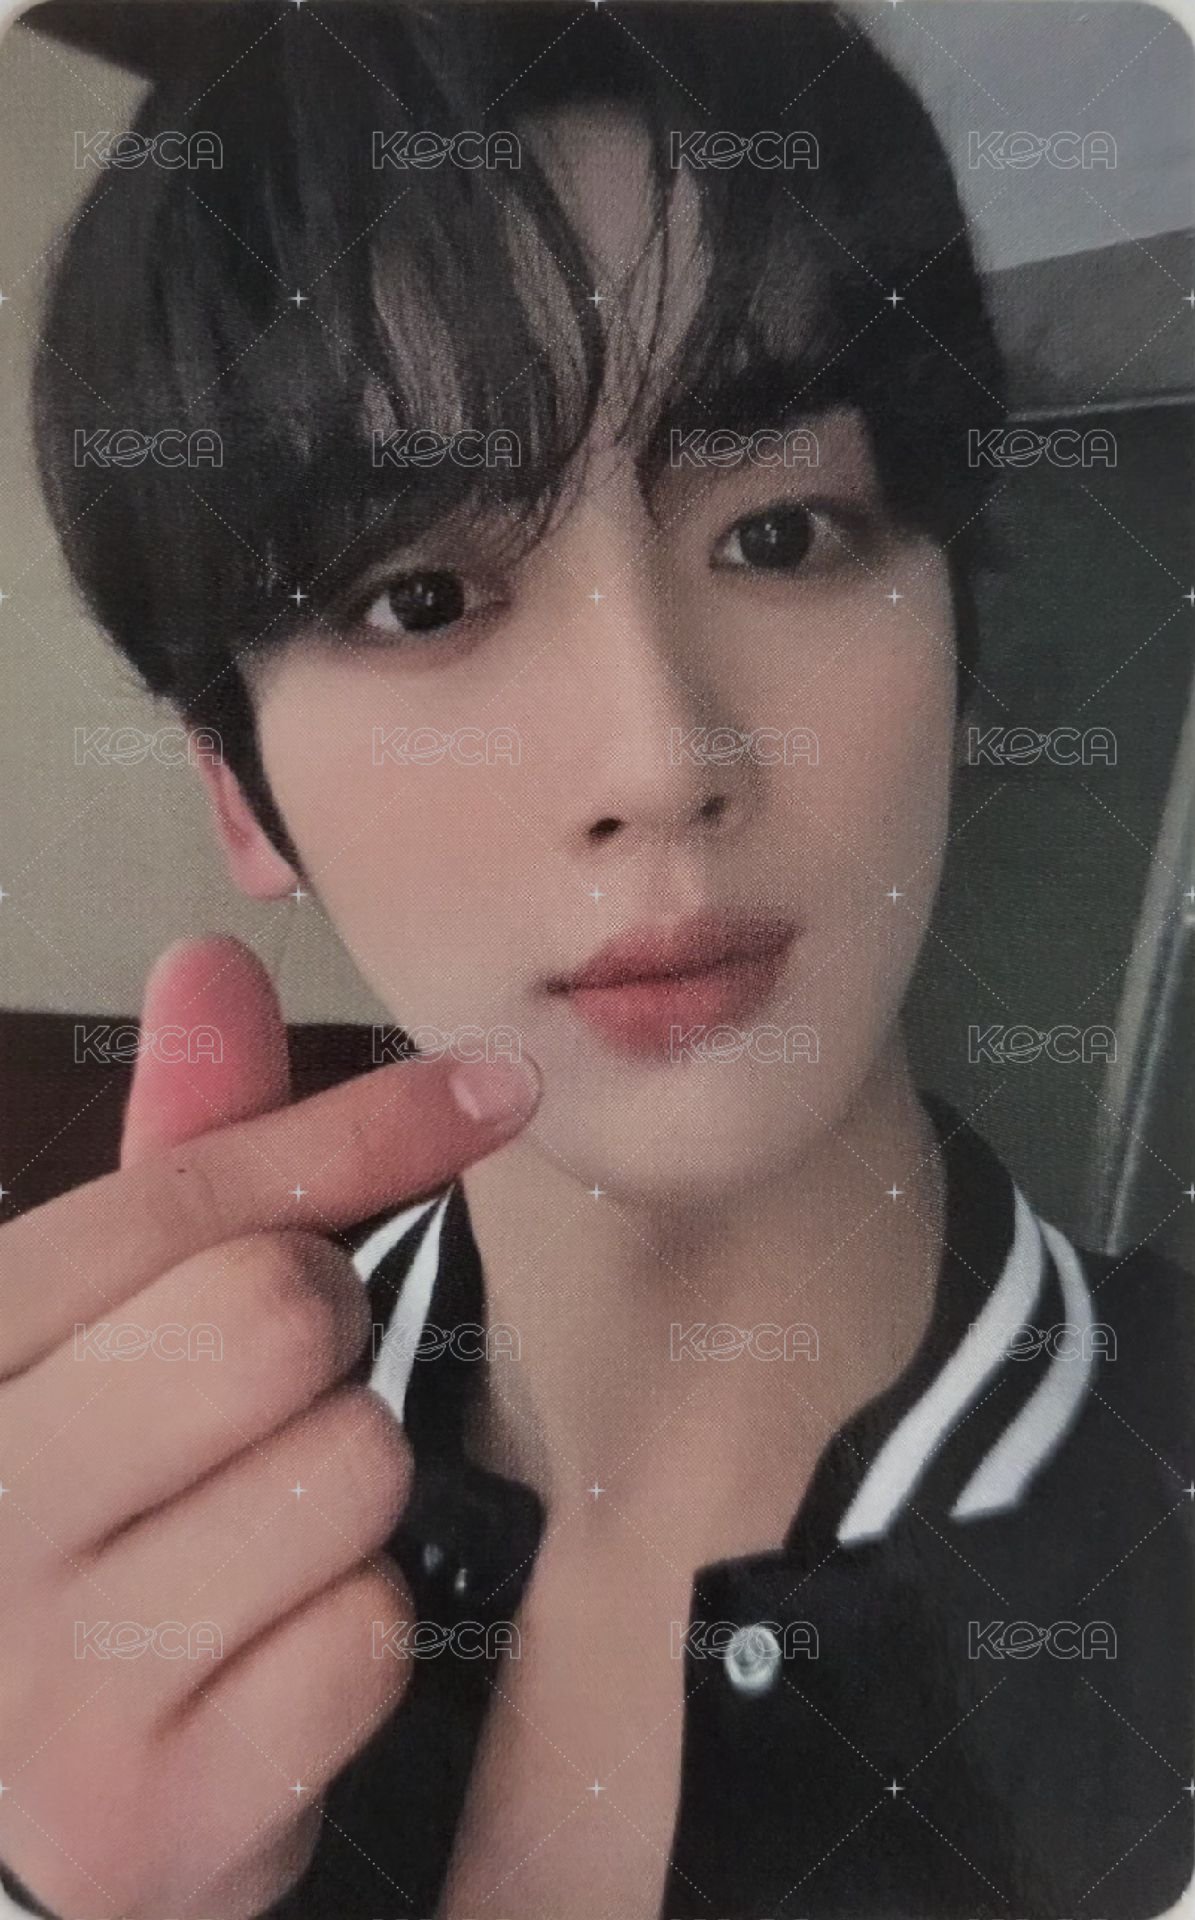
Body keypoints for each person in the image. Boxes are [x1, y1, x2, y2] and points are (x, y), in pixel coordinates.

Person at [2, 2, 1191, 1916]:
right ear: (240, 789)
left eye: (784, 534)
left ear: (956, 639)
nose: (657, 759)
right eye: (423, 595)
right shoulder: (103, 1540)